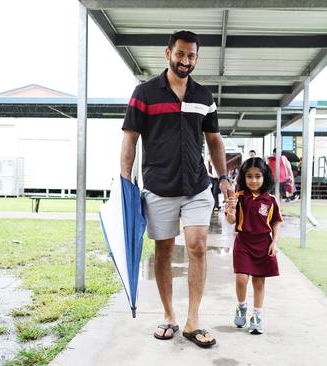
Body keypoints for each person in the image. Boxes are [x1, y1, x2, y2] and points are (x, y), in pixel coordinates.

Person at [120, 30, 232, 348]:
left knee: (197, 245)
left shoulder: (204, 97)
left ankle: (193, 320)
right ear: (167, 53)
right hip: (159, 186)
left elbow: (214, 141)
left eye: (191, 55)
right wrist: (126, 182)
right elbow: (129, 138)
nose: (185, 61)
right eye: (180, 54)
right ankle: (168, 316)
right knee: (165, 250)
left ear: (197, 58)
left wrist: (223, 177)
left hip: (196, 185)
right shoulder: (144, 93)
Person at [225, 157, 282, 335]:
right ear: (243, 178)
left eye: (258, 176)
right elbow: (230, 220)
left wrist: (274, 242)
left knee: (259, 282)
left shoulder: (270, 200)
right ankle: (242, 307)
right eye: (249, 176)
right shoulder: (238, 197)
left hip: (263, 244)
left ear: (265, 177)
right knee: (241, 279)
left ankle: (257, 316)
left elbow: (276, 223)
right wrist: (231, 209)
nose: (254, 180)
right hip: (243, 242)